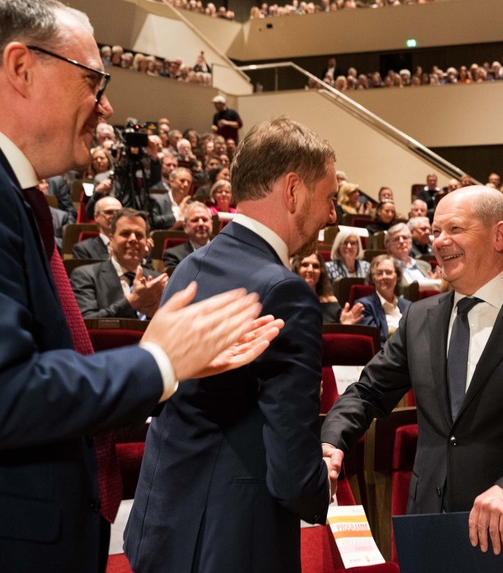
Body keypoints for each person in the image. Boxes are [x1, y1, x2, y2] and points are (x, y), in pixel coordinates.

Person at [0, 2, 279, 571]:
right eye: (93, 81)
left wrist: (166, 365)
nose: (107, 105)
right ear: (20, 67)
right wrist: (159, 363)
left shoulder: (6, 188)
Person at [322, 186, 503, 573]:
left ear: (500, 235)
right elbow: (369, 390)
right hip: (431, 529)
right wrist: (332, 440)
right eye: (436, 231)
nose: (440, 242)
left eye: (455, 228)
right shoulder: (420, 318)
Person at [125, 118, 341, 573]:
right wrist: (321, 479)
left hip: (162, 526)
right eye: (329, 198)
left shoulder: (191, 265)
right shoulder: (285, 291)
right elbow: (290, 470)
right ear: (293, 190)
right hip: (233, 542)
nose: (333, 215)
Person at [72, 208, 167, 318]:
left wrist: (157, 316)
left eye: (139, 235)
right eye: (125, 234)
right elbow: (86, 322)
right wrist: (131, 302)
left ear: (146, 242)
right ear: (111, 240)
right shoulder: (86, 275)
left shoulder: (157, 281)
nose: (133, 239)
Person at [354, 254, 411, 347]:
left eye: (388, 272)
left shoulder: (409, 306)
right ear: (373, 278)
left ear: (396, 276)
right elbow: (374, 341)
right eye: (379, 273)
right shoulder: (365, 306)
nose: (384, 276)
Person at [293, 251, 364, 324]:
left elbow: (335, 333)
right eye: (305, 265)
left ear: (321, 272)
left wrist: (343, 325)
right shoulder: (287, 300)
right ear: (296, 270)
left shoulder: (330, 302)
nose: (310, 270)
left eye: (315, 266)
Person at [163, 201, 212, 274]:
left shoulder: (224, 251)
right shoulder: (173, 255)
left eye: (204, 220)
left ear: (211, 224)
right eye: (195, 220)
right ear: (185, 227)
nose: (201, 224)